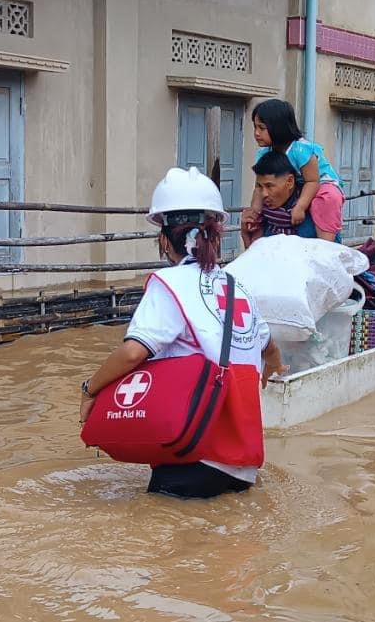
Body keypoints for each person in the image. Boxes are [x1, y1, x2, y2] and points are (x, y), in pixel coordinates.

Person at [79, 167, 286, 499]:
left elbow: (133, 352)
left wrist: (90, 389)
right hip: (243, 466)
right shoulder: (236, 288)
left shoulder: (169, 284)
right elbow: (269, 344)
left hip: (194, 454)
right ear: (215, 235)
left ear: (163, 239)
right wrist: (274, 365)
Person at [242, 99, 344, 240]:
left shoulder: (301, 150)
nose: (256, 133)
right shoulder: (264, 154)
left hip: (321, 182)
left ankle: (326, 242)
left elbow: (312, 181)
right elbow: (259, 187)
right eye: (255, 127)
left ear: (278, 126)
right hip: (299, 185)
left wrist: (300, 206)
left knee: (328, 198)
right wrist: (255, 212)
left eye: (262, 128)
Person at [242, 151, 342, 248]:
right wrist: (246, 235)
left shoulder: (318, 216)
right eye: (260, 186)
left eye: (269, 186)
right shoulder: (264, 218)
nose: (264, 194)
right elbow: (255, 256)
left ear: (290, 181)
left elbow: (331, 253)